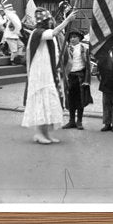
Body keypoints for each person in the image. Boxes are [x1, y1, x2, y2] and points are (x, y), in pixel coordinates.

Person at [21, 8, 75, 144]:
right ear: (44, 21)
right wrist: (67, 21)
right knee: (42, 102)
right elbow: (53, 33)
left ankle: (46, 134)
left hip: (48, 72)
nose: (51, 21)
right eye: (49, 20)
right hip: (40, 74)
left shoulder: (45, 34)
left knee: (49, 103)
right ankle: (39, 133)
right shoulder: (38, 33)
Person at [60, 26, 91, 129]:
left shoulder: (84, 49)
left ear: (79, 38)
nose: (72, 39)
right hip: (69, 77)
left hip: (80, 76)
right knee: (70, 99)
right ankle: (71, 120)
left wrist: (87, 80)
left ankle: (79, 121)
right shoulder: (66, 49)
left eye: (75, 37)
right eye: (71, 37)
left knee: (80, 100)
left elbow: (88, 65)